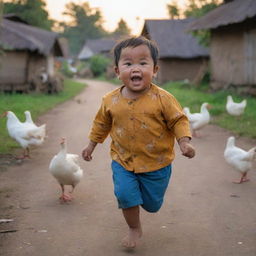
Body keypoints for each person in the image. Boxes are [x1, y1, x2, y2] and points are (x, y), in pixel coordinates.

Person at [82, 36, 195, 249]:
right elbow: (100, 124)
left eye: (143, 63)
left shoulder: (163, 98)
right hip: (123, 161)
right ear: (117, 71)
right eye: (128, 63)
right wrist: (91, 146)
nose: (136, 68)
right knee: (125, 195)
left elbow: (178, 120)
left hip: (157, 163)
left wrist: (184, 142)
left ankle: (146, 201)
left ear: (154, 70)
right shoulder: (110, 100)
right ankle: (134, 227)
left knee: (152, 205)